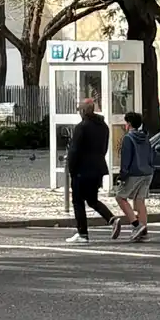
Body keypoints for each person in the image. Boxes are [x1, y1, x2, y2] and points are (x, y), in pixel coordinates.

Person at [63, 99, 112, 244]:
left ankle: (83, 233)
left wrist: (71, 169)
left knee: (78, 201)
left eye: (79, 109)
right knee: (92, 199)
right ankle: (111, 218)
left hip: (81, 170)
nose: (79, 112)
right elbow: (104, 148)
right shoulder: (103, 126)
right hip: (97, 169)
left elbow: (74, 150)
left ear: (84, 111)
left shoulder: (81, 127)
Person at [112, 110, 155, 242]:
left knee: (120, 197)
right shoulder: (145, 137)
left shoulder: (128, 138)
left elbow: (126, 159)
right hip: (147, 172)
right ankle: (144, 232)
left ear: (128, 124)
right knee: (140, 201)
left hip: (134, 172)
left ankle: (136, 225)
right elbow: (151, 156)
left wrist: (122, 176)